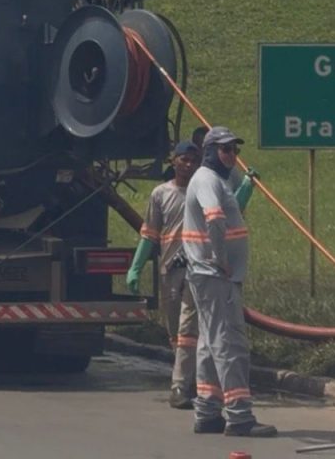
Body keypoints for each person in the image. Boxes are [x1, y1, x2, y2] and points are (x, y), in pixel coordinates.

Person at [183, 126, 275, 437]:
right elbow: (215, 218)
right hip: (216, 276)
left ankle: (207, 411)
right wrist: (221, 258)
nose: (232, 156)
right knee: (230, 344)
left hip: (211, 276)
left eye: (235, 150)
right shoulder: (207, 179)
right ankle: (239, 416)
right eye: (225, 150)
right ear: (210, 151)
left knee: (210, 344)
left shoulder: (217, 179)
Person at [127, 141, 202, 409]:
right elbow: (150, 234)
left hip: (197, 270)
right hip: (170, 270)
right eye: (184, 159)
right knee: (175, 331)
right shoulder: (161, 194)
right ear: (174, 161)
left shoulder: (204, 191)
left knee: (187, 328)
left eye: (194, 159)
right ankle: (187, 375)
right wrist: (136, 267)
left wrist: (245, 190)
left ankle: (180, 387)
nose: (189, 164)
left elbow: (230, 214)